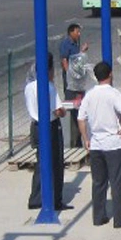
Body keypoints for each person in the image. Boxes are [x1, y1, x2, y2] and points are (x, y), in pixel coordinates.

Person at [78, 60, 121, 228]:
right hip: (113, 144)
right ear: (110, 74)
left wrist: (85, 137)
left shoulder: (90, 95)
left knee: (98, 182)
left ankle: (99, 216)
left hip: (96, 144)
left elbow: (81, 118)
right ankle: (119, 218)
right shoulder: (114, 94)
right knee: (116, 182)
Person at [25, 53, 70, 211]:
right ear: (50, 70)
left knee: (41, 162)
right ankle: (55, 199)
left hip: (35, 127)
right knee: (56, 163)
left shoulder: (29, 87)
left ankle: (36, 197)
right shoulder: (49, 87)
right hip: (50, 126)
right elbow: (58, 111)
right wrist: (63, 111)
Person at [59, 22, 88, 147]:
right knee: (73, 109)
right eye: (77, 31)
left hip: (78, 82)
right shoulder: (66, 44)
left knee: (80, 108)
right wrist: (70, 76)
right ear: (71, 32)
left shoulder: (75, 44)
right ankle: (73, 142)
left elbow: (77, 60)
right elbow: (65, 61)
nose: (79, 34)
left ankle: (78, 139)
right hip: (72, 84)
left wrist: (82, 51)